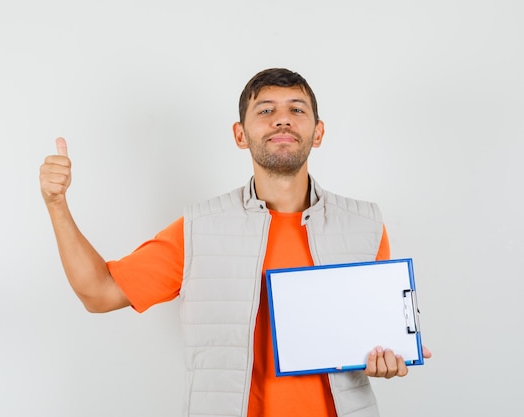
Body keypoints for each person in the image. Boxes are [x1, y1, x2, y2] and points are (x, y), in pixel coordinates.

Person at [39, 68, 431, 417]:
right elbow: (98, 292)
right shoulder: (197, 228)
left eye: (297, 109)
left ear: (319, 131)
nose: (282, 120)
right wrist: (57, 204)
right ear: (240, 135)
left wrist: (386, 357)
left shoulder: (365, 226)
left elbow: (369, 340)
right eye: (265, 110)